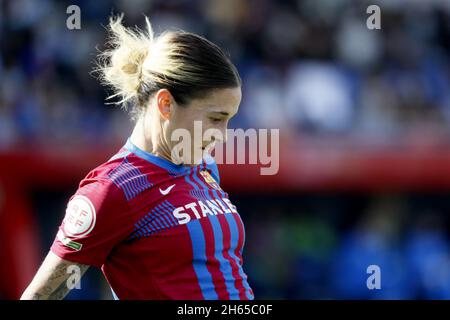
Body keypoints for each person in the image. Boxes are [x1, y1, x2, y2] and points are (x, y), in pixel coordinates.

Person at [21, 14, 254, 300]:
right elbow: (39, 296)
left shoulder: (204, 167)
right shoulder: (113, 189)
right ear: (166, 104)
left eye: (229, 119)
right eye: (215, 118)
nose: (223, 134)